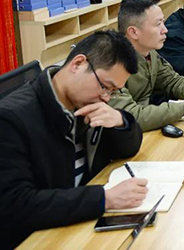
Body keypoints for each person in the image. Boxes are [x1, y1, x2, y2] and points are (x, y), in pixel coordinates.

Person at [0, 31, 147, 247]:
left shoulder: (86, 103)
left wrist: (120, 121)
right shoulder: (11, 119)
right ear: (78, 64)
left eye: (113, 92)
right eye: (105, 86)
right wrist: (104, 198)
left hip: (79, 221)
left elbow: (128, 149)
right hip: (40, 237)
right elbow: (15, 205)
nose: (106, 97)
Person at [109, 0, 184, 131]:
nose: (165, 30)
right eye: (158, 24)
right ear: (134, 32)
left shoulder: (149, 53)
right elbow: (130, 116)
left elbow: (172, 81)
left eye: (163, 22)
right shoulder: (112, 64)